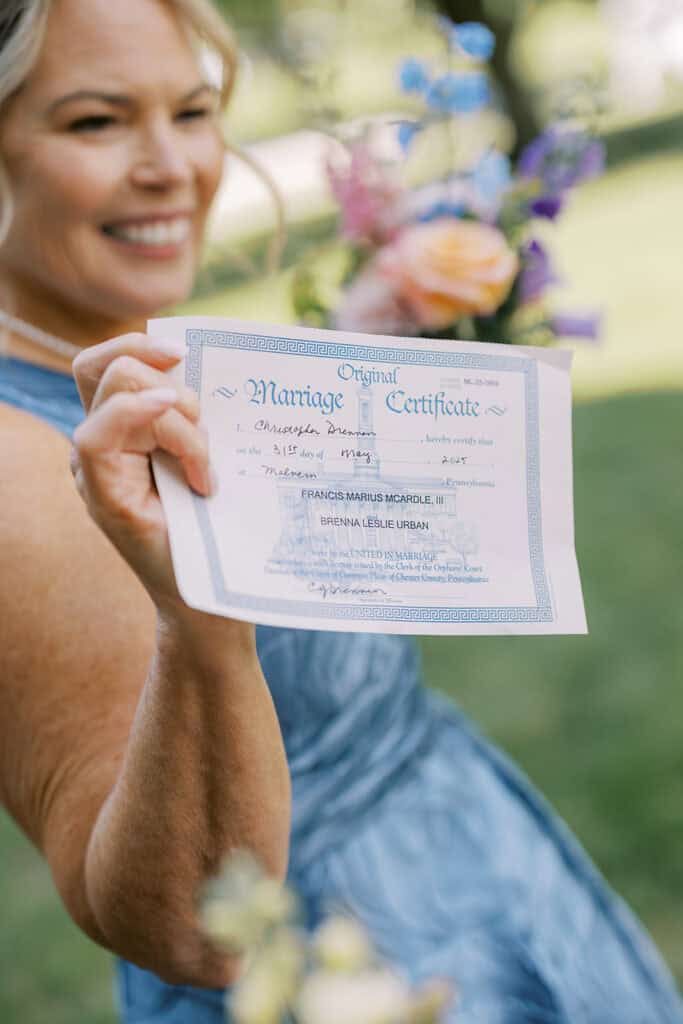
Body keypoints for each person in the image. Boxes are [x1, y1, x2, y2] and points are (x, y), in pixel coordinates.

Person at [0, 2, 681, 1022]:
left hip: (473, 851)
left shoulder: (158, 355)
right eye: (96, 122)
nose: (172, 165)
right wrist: (200, 612)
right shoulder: (19, 463)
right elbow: (186, 925)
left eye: (191, 111)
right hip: (323, 972)